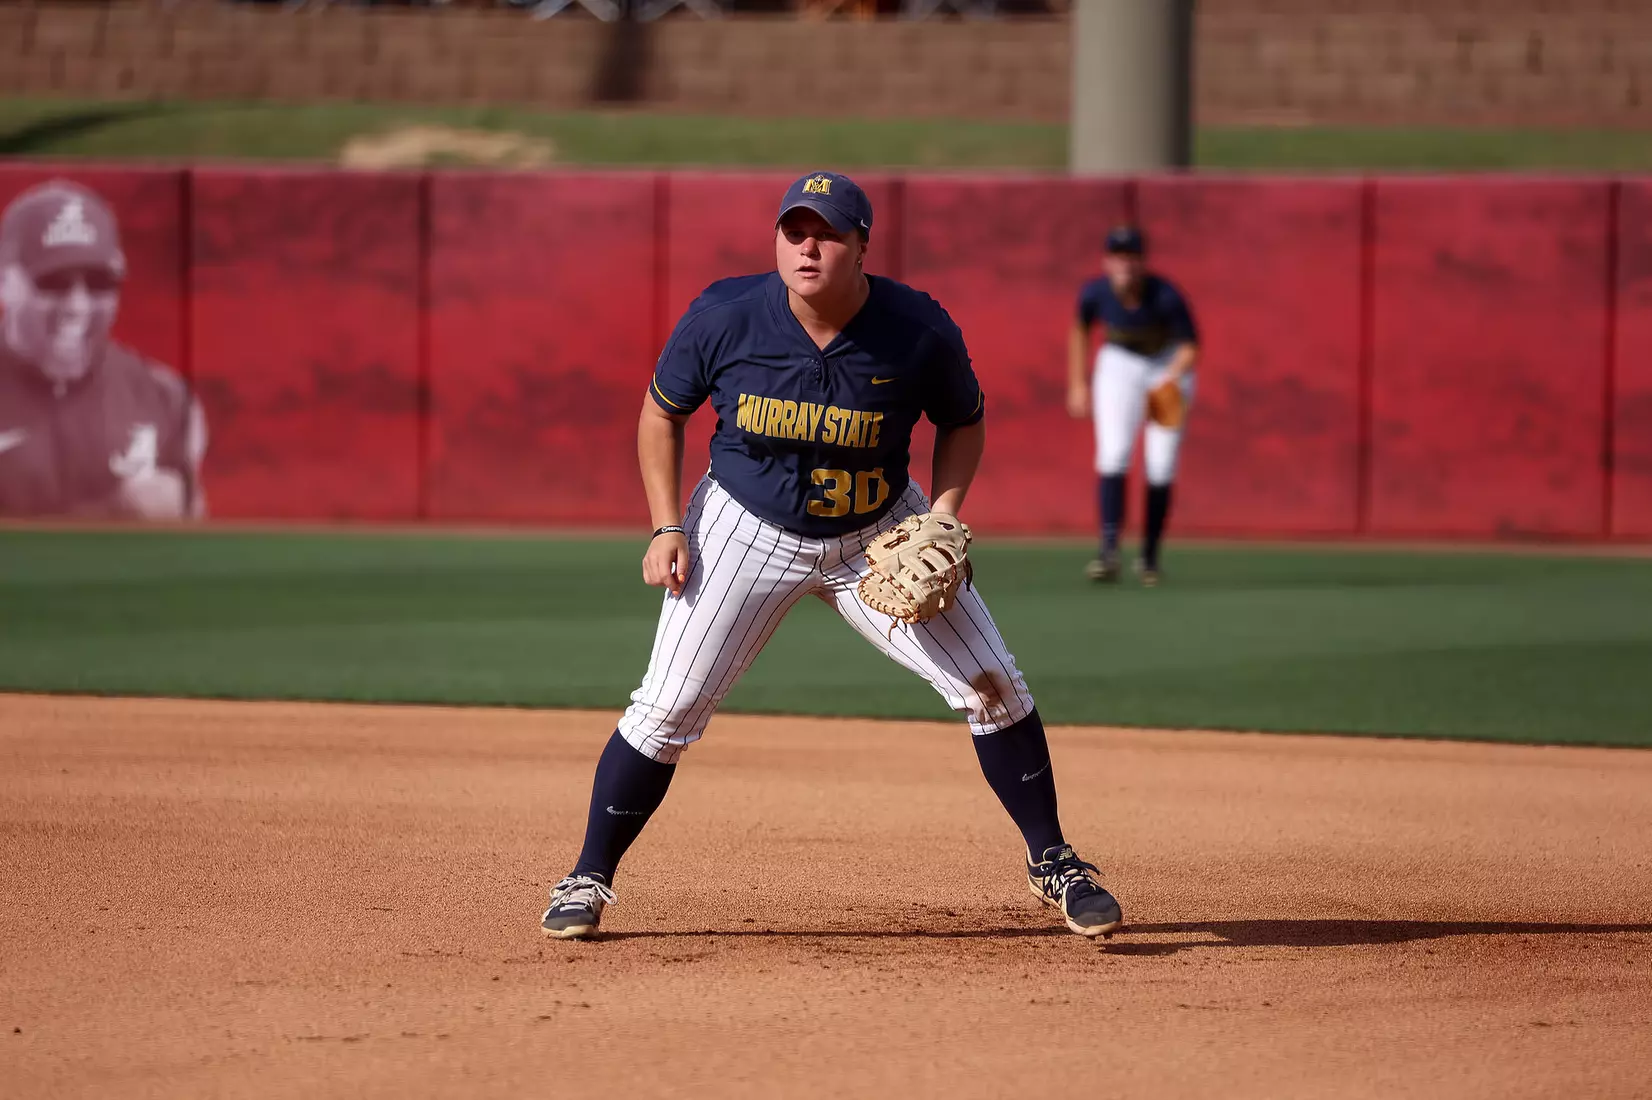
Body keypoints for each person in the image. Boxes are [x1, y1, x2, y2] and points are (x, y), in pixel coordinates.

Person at [541, 171, 1123, 941]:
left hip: (880, 535)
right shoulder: (725, 316)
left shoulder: (917, 328)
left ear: (862, 246)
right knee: (668, 708)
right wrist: (663, 525)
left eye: (827, 233)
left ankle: (1053, 860)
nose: (807, 246)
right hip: (744, 528)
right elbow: (661, 414)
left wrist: (943, 514)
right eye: (794, 231)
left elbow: (964, 422)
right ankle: (588, 874)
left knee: (995, 689)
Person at [0, 180, 205, 520]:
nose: (77, 307)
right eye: (53, 282)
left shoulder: (162, 397)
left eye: (98, 284)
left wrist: (182, 512)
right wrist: (115, 511)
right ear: (5, 284)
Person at [1066, 226, 1198, 586]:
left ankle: (1149, 557)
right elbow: (1080, 330)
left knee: (1161, 465)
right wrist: (1078, 382)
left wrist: (1167, 381)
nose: (1124, 264)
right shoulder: (1095, 293)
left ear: (1142, 262)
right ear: (1107, 261)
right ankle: (1109, 551)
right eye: (1118, 256)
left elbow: (1189, 347)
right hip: (1119, 364)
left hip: (1167, 368)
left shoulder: (1165, 296)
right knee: (1114, 454)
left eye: (1131, 257)